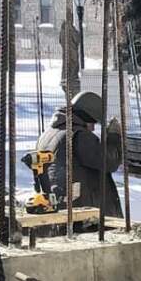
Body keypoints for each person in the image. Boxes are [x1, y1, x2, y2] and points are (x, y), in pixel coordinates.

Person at [34, 89, 121, 224]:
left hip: (58, 204)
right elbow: (109, 162)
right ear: (86, 117)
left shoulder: (46, 135)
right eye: (92, 123)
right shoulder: (79, 136)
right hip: (83, 211)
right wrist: (114, 137)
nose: (92, 129)